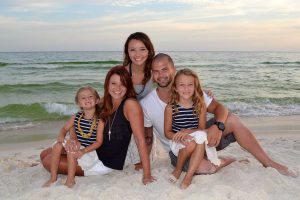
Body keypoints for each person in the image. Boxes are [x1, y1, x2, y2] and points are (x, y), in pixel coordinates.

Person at [140, 53, 297, 178]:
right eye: (156, 71)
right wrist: (143, 163)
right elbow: (147, 138)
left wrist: (218, 126)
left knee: (233, 119)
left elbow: (221, 108)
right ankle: (225, 160)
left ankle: (268, 162)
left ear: (173, 70)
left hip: (203, 137)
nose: (161, 75)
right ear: (152, 74)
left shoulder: (192, 92)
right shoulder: (147, 103)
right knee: (205, 168)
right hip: (180, 150)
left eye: (165, 69)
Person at [40, 66, 155, 185]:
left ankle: (69, 179)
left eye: (122, 84)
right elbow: (77, 121)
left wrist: (147, 175)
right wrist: (73, 140)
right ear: (107, 85)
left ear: (128, 85)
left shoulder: (130, 105)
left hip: (104, 161)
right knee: (45, 153)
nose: (117, 88)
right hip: (91, 150)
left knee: (48, 161)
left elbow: (140, 140)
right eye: (113, 83)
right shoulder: (104, 101)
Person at [165, 68, 222, 189]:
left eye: (190, 85)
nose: (186, 89)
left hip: (196, 138)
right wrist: (179, 136)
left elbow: (201, 128)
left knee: (199, 137)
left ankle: (189, 175)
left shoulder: (200, 106)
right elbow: (167, 132)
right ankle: (178, 169)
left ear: (196, 87)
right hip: (177, 142)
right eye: (182, 85)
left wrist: (188, 132)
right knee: (190, 143)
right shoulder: (170, 108)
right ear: (175, 87)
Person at [42, 86, 104, 188]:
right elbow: (63, 129)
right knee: (57, 146)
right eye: (83, 98)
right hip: (77, 144)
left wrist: (83, 151)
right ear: (78, 103)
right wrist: (62, 138)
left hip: (88, 150)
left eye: (90, 96)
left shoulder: (100, 119)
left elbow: (98, 142)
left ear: (97, 100)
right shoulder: (76, 117)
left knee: (71, 151)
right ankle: (53, 178)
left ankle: (70, 180)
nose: (87, 99)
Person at [122, 32, 155, 168]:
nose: (137, 54)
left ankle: (144, 159)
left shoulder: (154, 70)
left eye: (142, 49)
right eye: (132, 50)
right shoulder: (123, 72)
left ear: (149, 50)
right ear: (127, 52)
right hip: (129, 116)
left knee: (149, 108)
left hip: (148, 117)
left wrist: (200, 91)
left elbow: (175, 82)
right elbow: (111, 94)